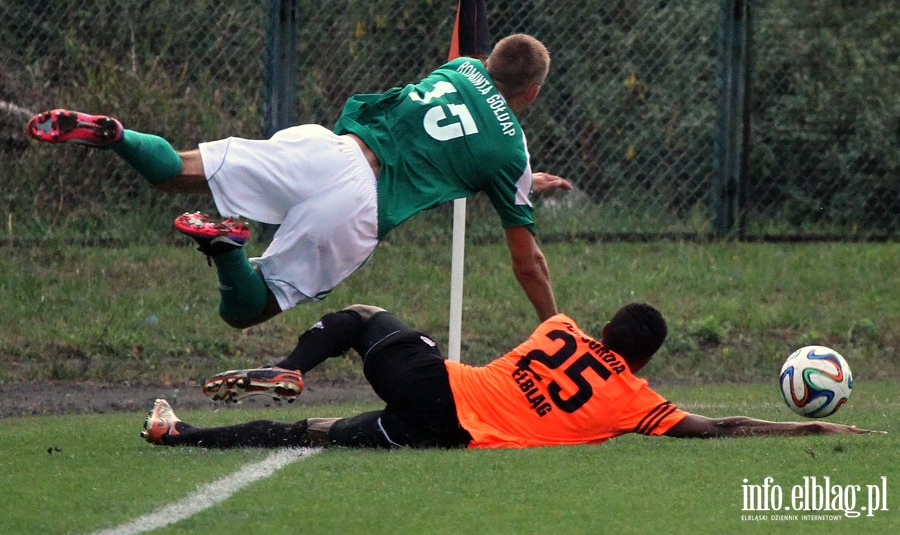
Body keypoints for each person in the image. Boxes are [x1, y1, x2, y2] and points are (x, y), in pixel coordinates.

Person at [26, 34, 572, 329]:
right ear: (534, 93)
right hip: (358, 206)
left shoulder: (460, 69)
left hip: (325, 150)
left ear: (488, 59)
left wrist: (520, 180)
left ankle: (117, 134)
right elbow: (528, 262)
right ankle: (225, 249)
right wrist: (556, 326)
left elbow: (456, 131)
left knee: (178, 172)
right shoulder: (510, 150)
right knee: (248, 308)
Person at [140, 303, 882, 449]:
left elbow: (559, 317)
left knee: (366, 317)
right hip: (450, 435)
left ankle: (290, 366)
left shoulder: (557, 330)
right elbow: (717, 426)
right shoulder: (636, 401)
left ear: (603, 329)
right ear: (647, 358)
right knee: (316, 435)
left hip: (440, 387)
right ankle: (183, 435)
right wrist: (811, 424)